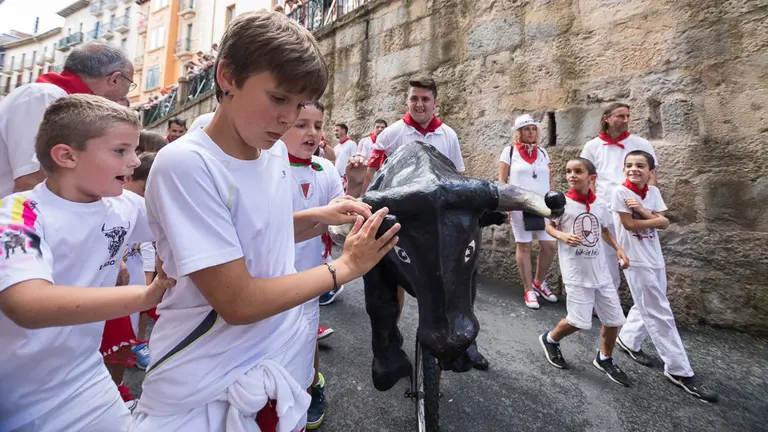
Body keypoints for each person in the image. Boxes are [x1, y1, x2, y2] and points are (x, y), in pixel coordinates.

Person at [131, 11, 400, 431]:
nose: (289, 119)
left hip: (275, 356)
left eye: (298, 104)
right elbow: (238, 302)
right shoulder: (186, 165)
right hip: (204, 372)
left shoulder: (269, 149)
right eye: (278, 99)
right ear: (228, 77)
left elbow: (254, 234)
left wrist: (319, 217)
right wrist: (345, 267)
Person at [0, 94, 173, 432]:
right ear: (66, 156)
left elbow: (194, 224)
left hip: (84, 381)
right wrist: (147, 295)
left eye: (134, 150)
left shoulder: (123, 206)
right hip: (13, 394)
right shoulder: (18, 214)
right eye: (120, 151)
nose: (135, 162)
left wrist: (304, 220)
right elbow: (28, 304)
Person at [612, 151, 718, 402]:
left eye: (640, 166)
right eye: (628, 165)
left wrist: (646, 213)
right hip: (635, 259)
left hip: (654, 257)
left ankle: (627, 340)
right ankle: (679, 370)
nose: (633, 169)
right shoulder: (620, 192)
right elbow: (629, 225)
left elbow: (664, 222)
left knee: (647, 303)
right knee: (659, 311)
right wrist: (656, 220)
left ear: (650, 171)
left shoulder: (652, 192)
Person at [538, 157, 630, 386]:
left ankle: (605, 358)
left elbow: (605, 229)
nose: (572, 175)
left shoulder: (600, 204)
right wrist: (562, 236)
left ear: (592, 178)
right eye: (569, 171)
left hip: (600, 272)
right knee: (578, 322)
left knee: (613, 319)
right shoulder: (562, 204)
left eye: (578, 171)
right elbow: (548, 226)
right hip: (576, 272)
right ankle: (550, 339)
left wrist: (619, 249)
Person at [0, 42, 135, 197]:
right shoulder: (44, 95)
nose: (126, 94)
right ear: (115, 79)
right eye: (130, 83)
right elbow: (29, 181)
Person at [283, 101, 344, 429]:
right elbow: (267, 230)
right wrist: (322, 219)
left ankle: (312, 385)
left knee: (307, 335)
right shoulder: (267, 165)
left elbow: (340, 219)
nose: (312, 133)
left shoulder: (326, 169)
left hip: (312, 274)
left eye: (318, 125)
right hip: (270, 276)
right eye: (301, 124)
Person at [100, 152, 158, 411]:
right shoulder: (112, 204)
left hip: (127, 296)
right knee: (103, 355)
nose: (133, 159)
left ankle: (115, 400)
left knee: (120, 352)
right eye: (121, 150)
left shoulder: (134, 207)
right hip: (106, 299)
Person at [580, 103, 658, 291]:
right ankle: (609, 303)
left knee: (638, 256)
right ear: (607, 118)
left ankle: (643, 303)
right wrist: (590, 204)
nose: (626, 120)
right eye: (620, 116)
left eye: (627, 116)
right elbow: (588, 177)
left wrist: (648, 204)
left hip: (632, 208)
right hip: (605, 206)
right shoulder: (592, 146)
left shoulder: (640, 144)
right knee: (606, 257)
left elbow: (652, 175)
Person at [362, 76, 464, 193]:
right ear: (407, 101)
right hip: (399, 206)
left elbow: (457, 175)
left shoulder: (449, 135)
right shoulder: (391, 133)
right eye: (414, 99)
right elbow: (371, 171)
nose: (419, 104)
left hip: (438, 206)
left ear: (435, 103)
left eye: (425, 99)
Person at [498, 114, 558, 309]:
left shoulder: (542, 153)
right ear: (519, 132)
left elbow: (549, 179)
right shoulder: (509, 151)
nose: (531, 132)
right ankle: (528, 289)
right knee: (524, 245)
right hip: (519, 204)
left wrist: (554, 202)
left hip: (542, 204)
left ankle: (539, 282)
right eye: (526, 129)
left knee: (549, 245)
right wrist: (505, 205)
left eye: (533, 129)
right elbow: (502, 180)